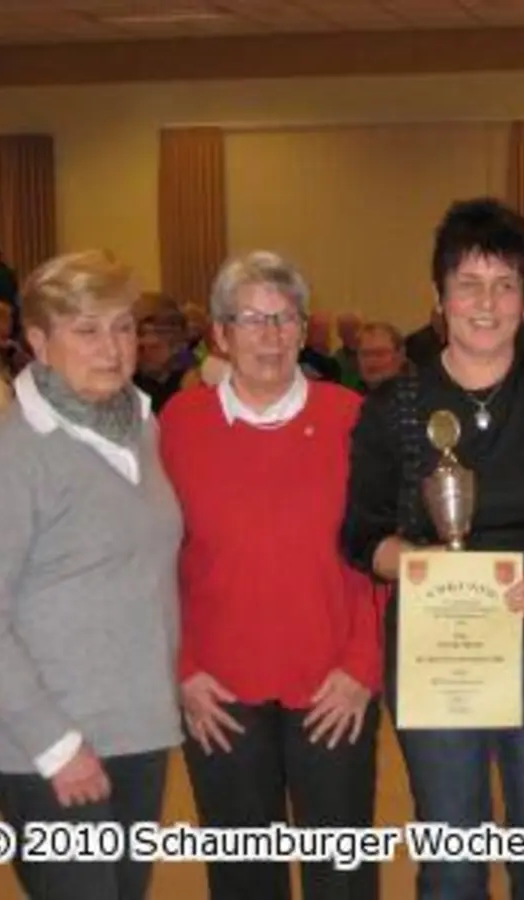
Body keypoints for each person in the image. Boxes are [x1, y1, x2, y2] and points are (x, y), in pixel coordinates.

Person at [342, 198, 524, 900]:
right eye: (468, 284)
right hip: (436, 652)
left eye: (504, 285)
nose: (487, 303)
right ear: (439, 295)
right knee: (452, 868)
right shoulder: (393, 406)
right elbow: (361, 536)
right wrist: (424, 566)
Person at [0, 249, 183, 900]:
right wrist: (57, 746)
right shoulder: (5, 458)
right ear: (39, 342)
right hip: (52, 751)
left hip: (137, 729)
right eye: (86, 329)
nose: (112, 347)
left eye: (123, 326)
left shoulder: (141, 431)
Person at [159, 252, 384, 900]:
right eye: (252, 319)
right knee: (243, 877)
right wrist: (183, 668)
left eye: (286, 319)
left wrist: (363, 666)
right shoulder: (179, 424)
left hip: (334, 687)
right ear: (220, 334)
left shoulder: (352, 417)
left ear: (304, 330)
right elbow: (154, 560)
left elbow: (381, 554)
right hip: (218, 693)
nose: (272, 335)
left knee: (341, 877)